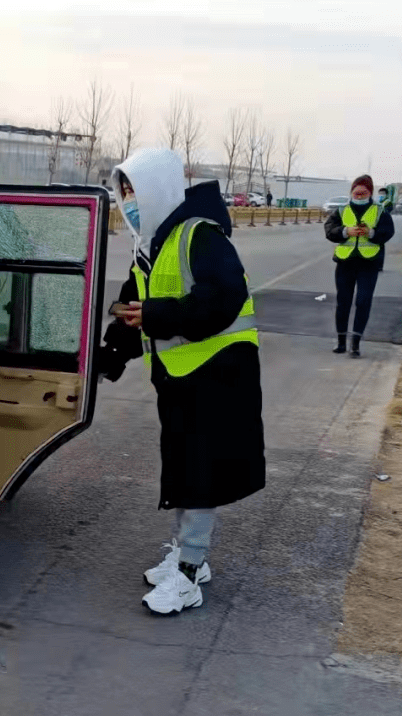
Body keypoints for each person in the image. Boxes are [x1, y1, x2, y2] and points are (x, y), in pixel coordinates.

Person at [97, 148, 266, 616]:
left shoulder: (200, 237)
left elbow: (223, 300)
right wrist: (108, 356)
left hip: (217, 375)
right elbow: (132, 310)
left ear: (159, 191)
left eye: (134, 191)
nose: (128, 201)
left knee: (199, 474)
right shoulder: (150, 245)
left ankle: (190, 574)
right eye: (123, 191)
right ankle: (188, 555)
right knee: (184, 469)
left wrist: (156, 315)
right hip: (179, 378)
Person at [324, 175, 395, 358]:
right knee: (343, 302)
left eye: (364, 192)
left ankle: (355, 343)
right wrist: (345, 231)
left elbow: (388, 231)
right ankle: (341, 341)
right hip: (345, 262)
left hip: (368, 263)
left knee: (363, 301)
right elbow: (329, 230)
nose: (360, 194)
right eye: (357, 191)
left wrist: (371, 233)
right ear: (352, 192)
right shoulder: (341, 210)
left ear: (370, 192)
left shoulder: (379, 211)